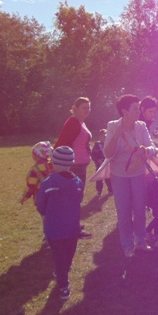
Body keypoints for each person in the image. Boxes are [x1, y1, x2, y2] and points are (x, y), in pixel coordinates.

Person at [104, 94, 158, 258]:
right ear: (124, 111)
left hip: (138, 173)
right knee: (124, 211)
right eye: (135, 108)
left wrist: (146, 150)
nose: (138, 111)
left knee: (140, 208)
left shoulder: (141, 126)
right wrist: (116, 135)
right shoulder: (113, 126)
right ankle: (127, 245)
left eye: (138, 108)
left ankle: (140, 241)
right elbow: (107, 153)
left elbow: (152, 148)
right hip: (119, 174)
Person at [36, 146, 84, 300]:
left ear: (53, 163)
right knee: (68, 254)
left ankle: (63, 285)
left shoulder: (48, 183)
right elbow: (79, 200)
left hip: (54, 229)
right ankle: (63, 272)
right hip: (72, 229)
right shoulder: (78, 183)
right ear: (71, 163)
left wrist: (46, 213)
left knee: (59, 257)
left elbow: (40, 204)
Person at [54, 96, 93, 239]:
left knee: (76, 197)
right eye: (84, 108)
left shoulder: (81, 122)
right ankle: (72, 228)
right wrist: (58, 164)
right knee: (73, 198)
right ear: (75, 109)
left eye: (88, 107)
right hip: (74, 166)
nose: (87, 110)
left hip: (80, 165)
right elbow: (63, 142)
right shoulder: (73, 122)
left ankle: (72, 224)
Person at [20, 141, 54, 205]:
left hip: (41, 198)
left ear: (36, 155)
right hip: (55, 197)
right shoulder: (54, 166)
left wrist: (25, 197)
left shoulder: (35, 170)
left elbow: (31, 186)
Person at [91, 129, 112, 197]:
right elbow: (93, 154)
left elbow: (111, 153)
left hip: (107, 164)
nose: (103, 138)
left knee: (108, 178)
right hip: (99, 165)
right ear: (99, 136)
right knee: (99, 179)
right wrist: (97, 159)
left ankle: (110, 190)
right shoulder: (97, 145)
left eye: (104, 136)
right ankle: (99, 190)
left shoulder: (108, 144)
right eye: (101, 136)